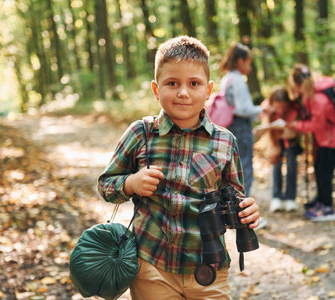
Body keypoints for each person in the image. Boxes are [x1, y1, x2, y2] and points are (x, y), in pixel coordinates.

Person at [97, 36, 260, 300]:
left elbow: (236, 196)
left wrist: (248, 210)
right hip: (152, 266)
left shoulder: (224, 141)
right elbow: (105, 184)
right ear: (156, 89)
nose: (183, 92)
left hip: (210, 268)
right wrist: (131, 183)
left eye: (193, 84)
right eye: (172, 83)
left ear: (208, 91)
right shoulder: (141, 134)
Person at [287, 63, 335, 221]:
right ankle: (321, 201)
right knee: (320, 172)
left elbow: (316, 125)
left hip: (332, 142)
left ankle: (328, 208)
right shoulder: (312, 96)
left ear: (297, 84)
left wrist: (296, 125)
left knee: (324, 174)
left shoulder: (318, 99)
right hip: (325, 140)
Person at [219, 43, 264, 198]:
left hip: (229, 126)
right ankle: (243, 212)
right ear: (240, 61)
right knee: (244, 168)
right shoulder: (238, 80)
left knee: (232, 169)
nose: (250, 68)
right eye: (248, 63)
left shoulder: (226, 78)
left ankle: (235, 209)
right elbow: (242, 109)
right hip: (241, 127)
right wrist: (261, 110)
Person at [260, 86, 302, 212]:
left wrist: (287, 129)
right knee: (276, 166)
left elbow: (295, 131)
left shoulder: (294, 111)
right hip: (275, 141)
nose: (280, 109)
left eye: (283, 106)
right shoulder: (268, 109)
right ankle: (276, 198)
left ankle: (290, 198)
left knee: (291, 166)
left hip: (291, 141)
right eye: (277, 106)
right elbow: (263, 123)